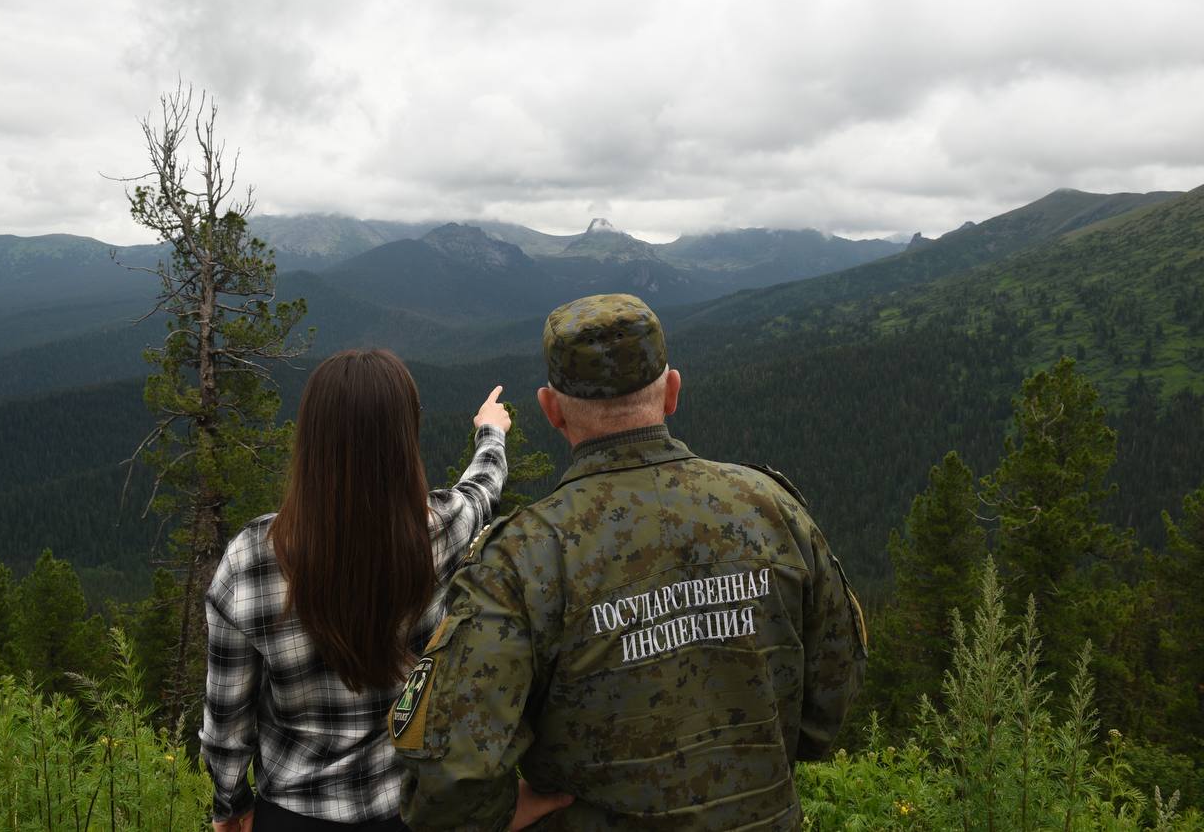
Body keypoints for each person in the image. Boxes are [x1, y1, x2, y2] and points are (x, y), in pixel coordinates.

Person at [392, 294, 867, 831]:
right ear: (672, 393)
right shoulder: (773, 509)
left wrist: (503, 810)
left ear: (551, 410)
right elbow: (827, 708)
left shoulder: (520, 558)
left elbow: (445, 786)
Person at [200, 349, 512, 832]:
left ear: (309, 438)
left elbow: (227, 723)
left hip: (294, 814)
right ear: (405, 440)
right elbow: (482, 490)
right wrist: (490, 430)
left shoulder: (251, 560)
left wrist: (230, 804)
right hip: (411, 807)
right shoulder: (439, 532)